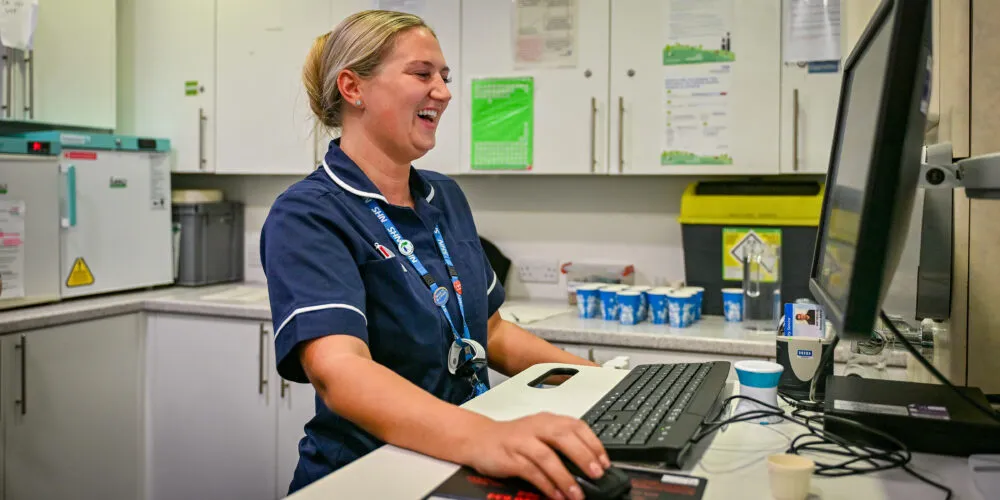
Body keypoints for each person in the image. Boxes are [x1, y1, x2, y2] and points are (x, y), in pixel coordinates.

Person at [260, 10, 609, 500]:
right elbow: (340, 371)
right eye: (422, 74)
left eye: (444, 78)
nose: (443, 92)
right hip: (367, 475)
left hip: (458, 461)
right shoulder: (307, 214)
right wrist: (486, 438)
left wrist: (601, 383)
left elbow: (491, 333)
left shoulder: (443, 197)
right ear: (353, 88)